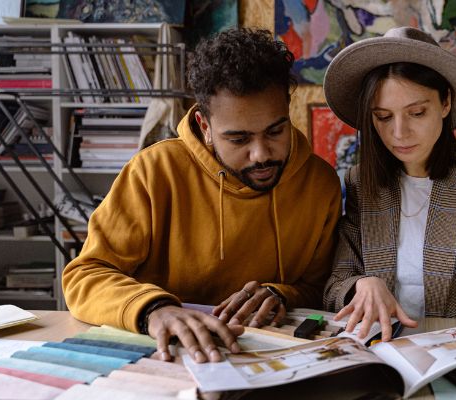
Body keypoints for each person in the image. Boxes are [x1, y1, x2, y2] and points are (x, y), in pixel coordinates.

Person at [62, 28, 342, 363]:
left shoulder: (320, 183)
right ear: (204, 125)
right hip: (164, 356)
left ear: (287, 108)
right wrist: (154, 309)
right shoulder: (153, 172)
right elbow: (84, 276)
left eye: (275, 131)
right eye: (238, 139)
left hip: (269, 358)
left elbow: (318, 287)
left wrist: (280, 293)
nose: (261, 154)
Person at [322, 27, 456, 341]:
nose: (399, 132)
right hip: (384, 348)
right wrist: (360, 286)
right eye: (383, 117)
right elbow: (336, 283)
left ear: (445, 103)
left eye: (416, 112)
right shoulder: (361, 181)